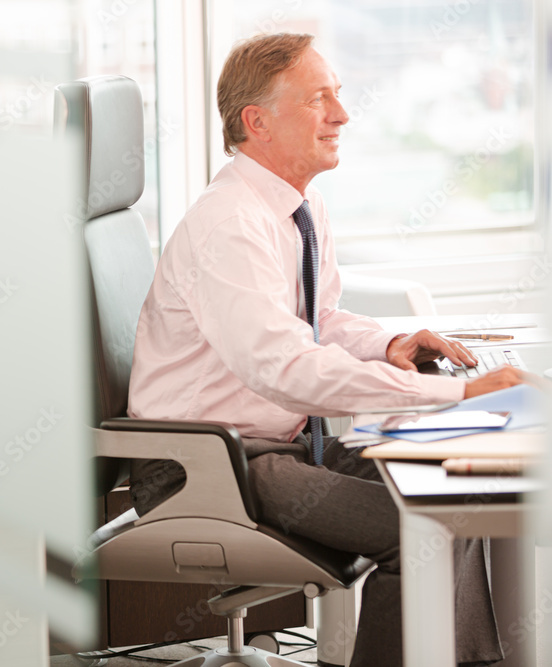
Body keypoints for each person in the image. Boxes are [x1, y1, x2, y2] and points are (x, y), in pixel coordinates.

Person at [127, 32, 528, 667]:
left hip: (284, 448)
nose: (342, 114)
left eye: (337, 95)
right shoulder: (230, 224)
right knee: (426, 533)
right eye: (320, 99)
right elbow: (285, 368)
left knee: (461, 499)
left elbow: (319, 321)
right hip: (210, 467)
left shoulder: (297, 205)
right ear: (258, 121)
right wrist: (457, 391)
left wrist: (390, 343)